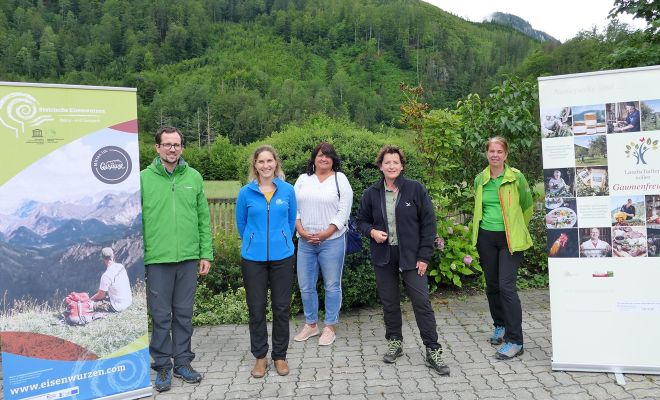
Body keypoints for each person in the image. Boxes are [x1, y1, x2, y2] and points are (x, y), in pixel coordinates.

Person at [357, 145, 449, 376]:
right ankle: (395, 342)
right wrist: (372, 232)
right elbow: (361, 221)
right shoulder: (371, 193)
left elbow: (429, 224)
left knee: (422, 303)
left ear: (402, 165)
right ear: (380, 166)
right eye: (387, 162)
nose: (391, 166)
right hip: (384, 255)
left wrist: (424, 256)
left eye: (395, 162)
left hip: (412, 256)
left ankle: (433, 350)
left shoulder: (415, 189)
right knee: (389, 303)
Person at [141, 126, 213, 392]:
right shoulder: (143, 179)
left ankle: (182, 361)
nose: (173, 149)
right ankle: (162, 365)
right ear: (157, 148)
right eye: (167, 144)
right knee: (161, 315)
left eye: (177, 144)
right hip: (157, 258)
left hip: (188, 258)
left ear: (182, 147)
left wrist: (206, 252)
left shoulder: (193, 177)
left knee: (183, 314)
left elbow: (203, 218)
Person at [236, 145, 296, 378]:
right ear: (255, 166)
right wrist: (254, 242)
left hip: (283, 258)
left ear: (276, 163)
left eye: (269, 161)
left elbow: (290, 223)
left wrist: (281, 240)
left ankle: (279, 356)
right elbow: (242, 225)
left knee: (282, 308)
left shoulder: (288, 191)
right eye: (261, 162)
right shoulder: (245, 193)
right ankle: (260, 358)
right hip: (253, 259)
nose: (266, 166)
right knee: (257, 309)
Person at [471, 136, 533, 360]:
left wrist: (517, 229)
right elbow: (479, 207)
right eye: (491, 151)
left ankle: (515, 340)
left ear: (506, 155)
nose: (495, 155)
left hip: (510, 240)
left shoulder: (516, 177)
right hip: (486, 238)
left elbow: (527, 205)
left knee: (507, 287)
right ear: (487, 154)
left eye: (499, 151)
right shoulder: (481, 179)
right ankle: (500, 325)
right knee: (493, 285)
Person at [293, 142, 353, 346]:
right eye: (320, 155)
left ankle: (329, 326)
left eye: (328, 156)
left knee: (332, 285)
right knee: (306, 286)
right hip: (305, 242)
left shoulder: (340, 179)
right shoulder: (303, 180)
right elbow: (294, 208)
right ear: (314, 158)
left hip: (332, 241)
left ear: (333, 159)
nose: (323, 159)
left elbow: (344, 211)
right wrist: (300, 230)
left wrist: (327, 233)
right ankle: (311, 324)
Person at [90, 247, 132, 312]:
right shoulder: (121, 266)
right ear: (113, 256)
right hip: (128, 301)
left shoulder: (106, 276)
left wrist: (90, 299)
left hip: (118, 306)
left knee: (91, 305)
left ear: (103, 258)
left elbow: (101, 295)